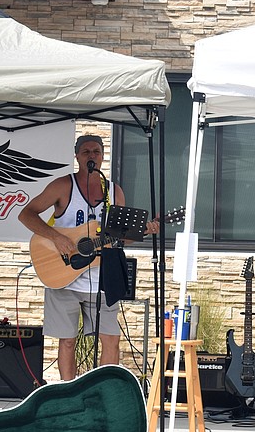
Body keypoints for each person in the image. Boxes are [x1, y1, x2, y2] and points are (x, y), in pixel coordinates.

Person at [18, 134, 158, 381]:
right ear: (77, 157)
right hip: (63, 276)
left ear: (102, 156)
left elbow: (118, 239)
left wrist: (144, 231)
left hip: (102, 278)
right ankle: (69, 392)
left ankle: (103, 391)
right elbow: (26, 214)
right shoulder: (63, 186)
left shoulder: (114, 191)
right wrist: (56, 237)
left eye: (96, 152)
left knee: (111, 339)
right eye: (86, 152)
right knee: (67, 341)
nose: (92, 156)